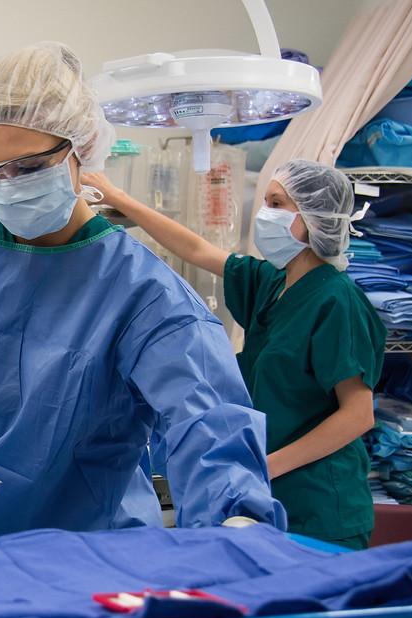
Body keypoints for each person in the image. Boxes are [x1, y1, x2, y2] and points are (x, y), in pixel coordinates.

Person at [0, 42, 285, 549]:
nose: (6, 186)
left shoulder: (142, 292)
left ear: (81, 152)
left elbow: (205, 419)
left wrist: (236, 519)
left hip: (100, 560)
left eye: (27, 168)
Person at [84, 159, 386, 549]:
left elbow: (358, 415)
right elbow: (195, 248)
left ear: (314, 218)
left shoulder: (337, 300)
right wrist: (123, 203)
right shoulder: (271, 283)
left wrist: (266, 466)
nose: (265, 214)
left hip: (320, 504)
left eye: (277, 204)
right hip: (265, 492)